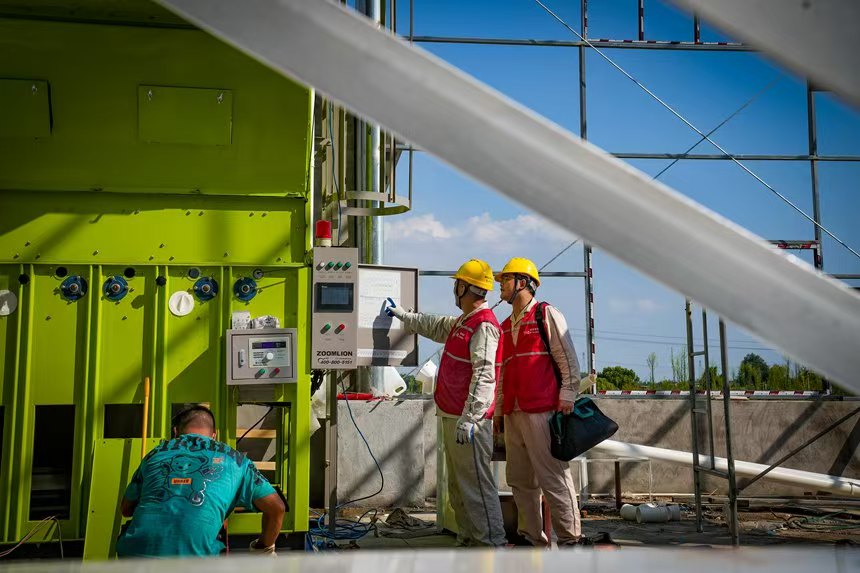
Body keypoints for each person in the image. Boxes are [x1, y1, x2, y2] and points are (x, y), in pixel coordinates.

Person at [385, 259, 506, 547]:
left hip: (469, 422)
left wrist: (472, 417)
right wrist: (403, 315)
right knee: (459, 486)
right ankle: (469, 538)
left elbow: (485, 374)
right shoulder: (464, 322)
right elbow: (434, 325)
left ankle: (491, 544)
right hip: (454, 417)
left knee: (476, 485)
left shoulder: (484, 326)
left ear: (464, 287)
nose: (455, 288)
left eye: (457, 283)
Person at [495, 257, 585, 547]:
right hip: (513, 412)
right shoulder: (505, 325)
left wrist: (567, 395)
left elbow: (567, 358)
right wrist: (498, 412)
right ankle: (531, 538)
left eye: (505, 280)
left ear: (522, 282)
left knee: (553, 478)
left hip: (543, 410)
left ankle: (571, 539)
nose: (501, 287)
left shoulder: (545, 314)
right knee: (520, 481)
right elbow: (503, 372)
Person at [116, 405, 285, 557]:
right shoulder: (237, 461)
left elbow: (126, 509)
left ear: (175, 432)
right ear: (214, 435)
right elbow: (277, 508)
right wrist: (264, 548)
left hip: (135, 557)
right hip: (196, 561)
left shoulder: (154, 455)